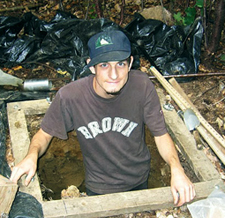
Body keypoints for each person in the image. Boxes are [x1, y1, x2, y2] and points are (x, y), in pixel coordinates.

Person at [10, 30, 195, 206]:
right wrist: (31, 156)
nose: (113, 75)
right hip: (98, 188)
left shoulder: (142, 86)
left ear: (130, 63)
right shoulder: (71, 96)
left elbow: (160, 134)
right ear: (91, 66)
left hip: (140, 180)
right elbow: (44, 134)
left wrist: (176, 168)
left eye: (120, 64)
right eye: (104, 65)